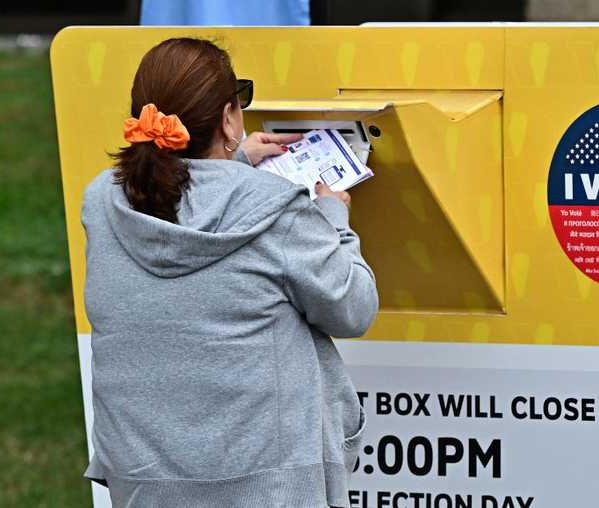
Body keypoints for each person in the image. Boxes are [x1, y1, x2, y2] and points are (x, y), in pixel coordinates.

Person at [80, 37, 378, 507]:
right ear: (227, 117)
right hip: (267, 487)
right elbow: (353, 308)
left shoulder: (102, 200)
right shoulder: (276, 209)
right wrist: (334, 220)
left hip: (144, 484)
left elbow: (182, 211)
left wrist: (233, 163)